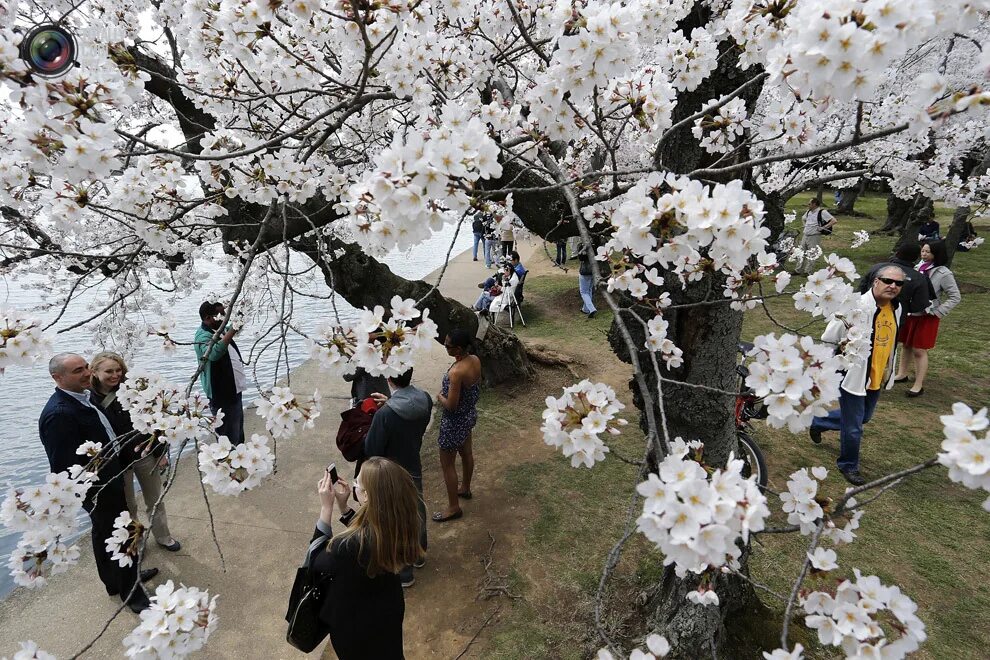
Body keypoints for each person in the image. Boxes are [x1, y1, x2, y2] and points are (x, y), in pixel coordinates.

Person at [39, 353, 157, 613]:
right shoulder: (60, 413)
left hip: (109, 478)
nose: (85, 373)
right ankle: (132, 592)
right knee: (120, 533)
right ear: (57, 378)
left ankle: (115, 582)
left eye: (85, 367)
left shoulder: (82, 398)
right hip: (97, 488)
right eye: (76, 371)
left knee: (103, 534)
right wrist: (92, 492)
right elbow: (62, 465)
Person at [305, 458, 423, 659]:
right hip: (388, 610)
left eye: (357, 483)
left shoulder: (348, 547)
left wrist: (326, 508)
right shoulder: (400, 525)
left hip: (356, 625)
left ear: (367, 495)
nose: (353, 485)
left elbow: (314, 561)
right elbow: (371, 534)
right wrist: (344, 508)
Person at [809, 267, 905, 485]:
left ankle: (819, 421)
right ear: (875, 282)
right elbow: (829, 337)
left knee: (864, 417)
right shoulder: (856, 306)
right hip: (853, 375)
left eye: (898, 283)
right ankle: (849, 465)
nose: (893, 286)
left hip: (878, 374)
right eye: (888, 280)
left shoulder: (896, 308)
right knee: (854, 427)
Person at [89, 352, 181, 552]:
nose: (115, 375)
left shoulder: (136, 391)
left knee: (155, 499)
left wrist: (160, 453)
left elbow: (155, 425)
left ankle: (163, 535)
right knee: (128, 505)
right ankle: (135, 541)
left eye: (118, 370)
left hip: (144, 454)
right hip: (117, 461)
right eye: (109, 371)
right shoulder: (90, 400)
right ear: (94, 372)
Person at [364, 368, 431, 587]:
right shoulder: (425, 399)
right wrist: (391, 401)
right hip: (414, 463)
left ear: (389, 378)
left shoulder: (385, 414)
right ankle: (420, 554)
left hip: (393, 470)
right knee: (417, 509)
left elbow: (372, 448)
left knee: (397, 518)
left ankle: (404, 572)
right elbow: (409, 414)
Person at [894, 240, 961, 397]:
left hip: (927, 316)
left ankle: (918, 384)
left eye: (927, 252)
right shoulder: (917, 268)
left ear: (936, 254)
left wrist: (938, 311)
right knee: (906, 345)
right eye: (922, 251)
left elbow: (955, 296)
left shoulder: (944, 273)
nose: (924, 254)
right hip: (912, 313)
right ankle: (902, 374)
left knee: (919, 349)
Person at [433, 329, 481, 522]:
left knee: (447, 465)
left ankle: (453, 507)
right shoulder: (475, 360)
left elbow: (451, 406)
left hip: (454, 422)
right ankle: (465, 487)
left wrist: (439, 397)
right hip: (468, 415)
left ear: (458, 348)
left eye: (447, 346)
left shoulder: (456, 372)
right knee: (467, 453)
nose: (445, 347)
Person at [194, 301, 246, 445]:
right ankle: (226, 462)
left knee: (237, 429)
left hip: (233, 389)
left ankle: (240, 456)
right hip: (221, 394)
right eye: (221, 314)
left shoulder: (218, 328)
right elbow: (214, 353)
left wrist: (240, 316)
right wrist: (231, 331)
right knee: (226, 433)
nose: (225, 317)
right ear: (208, 318)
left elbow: (231, 328)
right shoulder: (202, 336)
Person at [858, 243, 932, 317]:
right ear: (916, 258)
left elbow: (861, 290)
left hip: (868, 312)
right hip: (895, 318)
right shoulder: (919, 278)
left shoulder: (876, 267)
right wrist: (904, 307)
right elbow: (919, 305)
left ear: (897, 253)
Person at [794, 198, 836, 275]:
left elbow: (833, 221)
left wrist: (823, 227)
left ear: (814, 204)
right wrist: (805, 226)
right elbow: (803, 218)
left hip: (814, 236)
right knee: (801, 252)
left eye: (809, 204)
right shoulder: (809, 212)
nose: (808, 205)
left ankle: (808, 271)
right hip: (806, 235)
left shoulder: (822, 212)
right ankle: (798, 270)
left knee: (812, 253)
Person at [577, 241, 598, 319]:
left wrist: (582, 249)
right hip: (593, 270)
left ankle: (592, 309)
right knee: (589, 290)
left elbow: (580, 258)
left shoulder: (581, 245)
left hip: (585, 271)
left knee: (584, 292)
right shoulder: (595, 246)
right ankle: (585, 309)